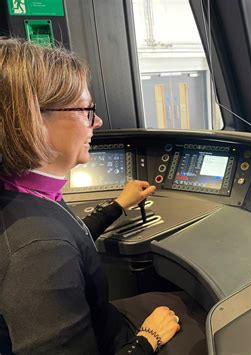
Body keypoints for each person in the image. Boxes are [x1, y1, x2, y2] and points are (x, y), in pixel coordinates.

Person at [0, 38, 206, 354]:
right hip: (118, 341)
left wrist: (117, 206)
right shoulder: (39, 249)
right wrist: (148, 339)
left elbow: (69, 234)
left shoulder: (24, 194)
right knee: (207, 321)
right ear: (33, 120)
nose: (97, 121)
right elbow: (54, 243)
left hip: (103, 324)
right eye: (86, 110)